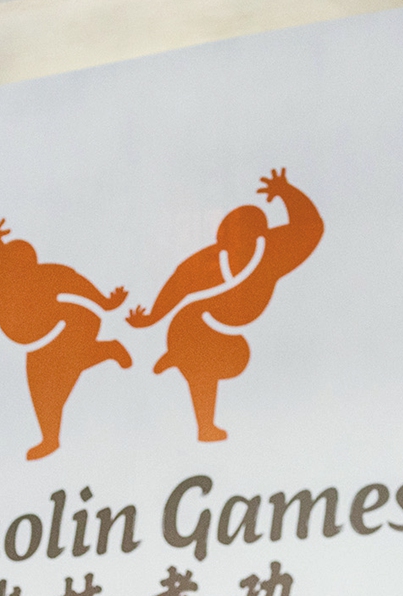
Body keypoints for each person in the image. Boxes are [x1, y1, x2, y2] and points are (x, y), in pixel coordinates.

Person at [124, 169, 323, 442]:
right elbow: (178, 284)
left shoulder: (274, 251)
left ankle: (178, 356)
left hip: (223, 331)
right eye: (230, 238)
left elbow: (310, 228)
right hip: (191, 325)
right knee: (203, 371)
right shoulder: (213, 260)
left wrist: (287, 192)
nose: (238, 244)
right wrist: (152, 318)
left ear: (261, 235)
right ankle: (204, 422)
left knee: (236, 359)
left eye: (245, 236)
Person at [0, 216, 133, 460]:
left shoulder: (45, 274)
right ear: (0, 268)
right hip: (40, 345)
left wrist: (106, 303)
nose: (17, 276)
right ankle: (50, 439)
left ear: (32, 264)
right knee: (43, 391)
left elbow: (76, 283)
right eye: (11, 267)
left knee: (62, 374)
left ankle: (107, 350)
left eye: (23, 267)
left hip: (72, 324)